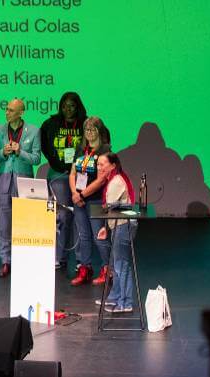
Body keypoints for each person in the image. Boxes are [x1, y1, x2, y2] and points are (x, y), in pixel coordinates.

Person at [0, 98, 42, 278]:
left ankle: (23, 259)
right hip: (4, 180)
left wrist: (20, 152)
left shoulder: (34, 131)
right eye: (6, 109)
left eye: (11, 110)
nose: (7, 112)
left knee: (24, 223)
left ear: (21, 112)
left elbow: (37, 159)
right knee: (4, 224)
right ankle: (6, 261)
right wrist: (2, 153)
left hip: (24, 181)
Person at [39, 92, 88, 270]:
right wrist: (54, 161)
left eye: (72, 105)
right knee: (62, 216)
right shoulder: (50, 124)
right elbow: (44, 144)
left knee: (80, 216)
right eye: (64, 105)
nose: (68, 109)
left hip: (82, 176)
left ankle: (82, 260)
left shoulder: (85, 124)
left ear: (78, 107)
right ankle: (59, 257)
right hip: (58, 174)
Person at [70, 117, 112, 286]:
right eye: (86, 130)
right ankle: (85, 268)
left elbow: (102, 179)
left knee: (99, 237)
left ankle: (107, 269)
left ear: (99, 132)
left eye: (92, 130)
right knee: (83, 236)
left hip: (96, 200)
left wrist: (83, 194)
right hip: (79, 200)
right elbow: (72, 173)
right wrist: (74, 193)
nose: (89, 133)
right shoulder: (81, 149)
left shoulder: (105, 151)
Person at [95, 152, 139, 313]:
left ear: (113, 166)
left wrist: (105, 225)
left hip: (123, 225)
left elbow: (109, 207)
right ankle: (114, 298)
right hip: (118, 224)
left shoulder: (116, 182)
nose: (98, 167)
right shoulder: (113, 180)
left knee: (122, 265)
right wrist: (105, 228)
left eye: (102, 164)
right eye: (97, 164)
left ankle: (125, 303)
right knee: (116, 264)